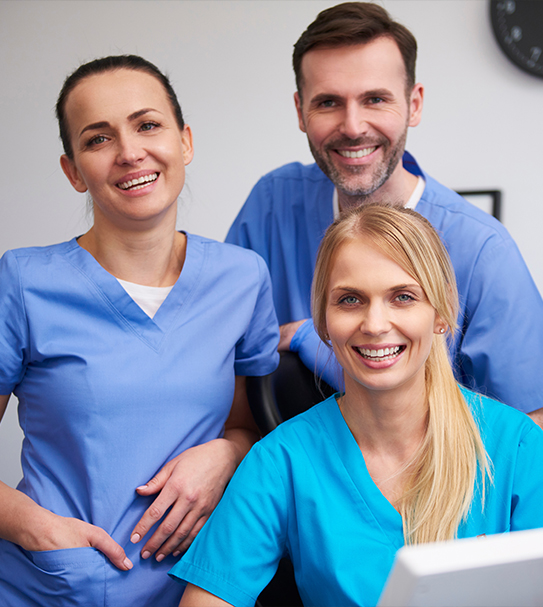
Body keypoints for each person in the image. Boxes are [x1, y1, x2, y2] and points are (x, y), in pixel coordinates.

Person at [0, 55, 279, 606]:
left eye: (148, 125)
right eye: (98, 139)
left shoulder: (241, 279)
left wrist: (225, 456)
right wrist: (32, 526)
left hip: (203, 588)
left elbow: (247, 427)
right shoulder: (23, 282)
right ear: (73, 170)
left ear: (185, 142)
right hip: (57, 588)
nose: (130, 152)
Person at [171, 204, 543, 607]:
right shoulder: (282, 461)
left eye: (402, 297)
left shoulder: (517, 447)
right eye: (350, 300)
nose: (375, 324)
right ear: (324, 322)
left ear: (439, 313)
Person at [225, 1, 543, 423]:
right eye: (328, 103)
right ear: (300, 110)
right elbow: (221, 361)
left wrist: (312, 341)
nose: (353, 126)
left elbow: (530, 430)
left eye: (375, 99)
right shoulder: (272, 205)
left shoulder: (482, 249)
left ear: (414, 103)